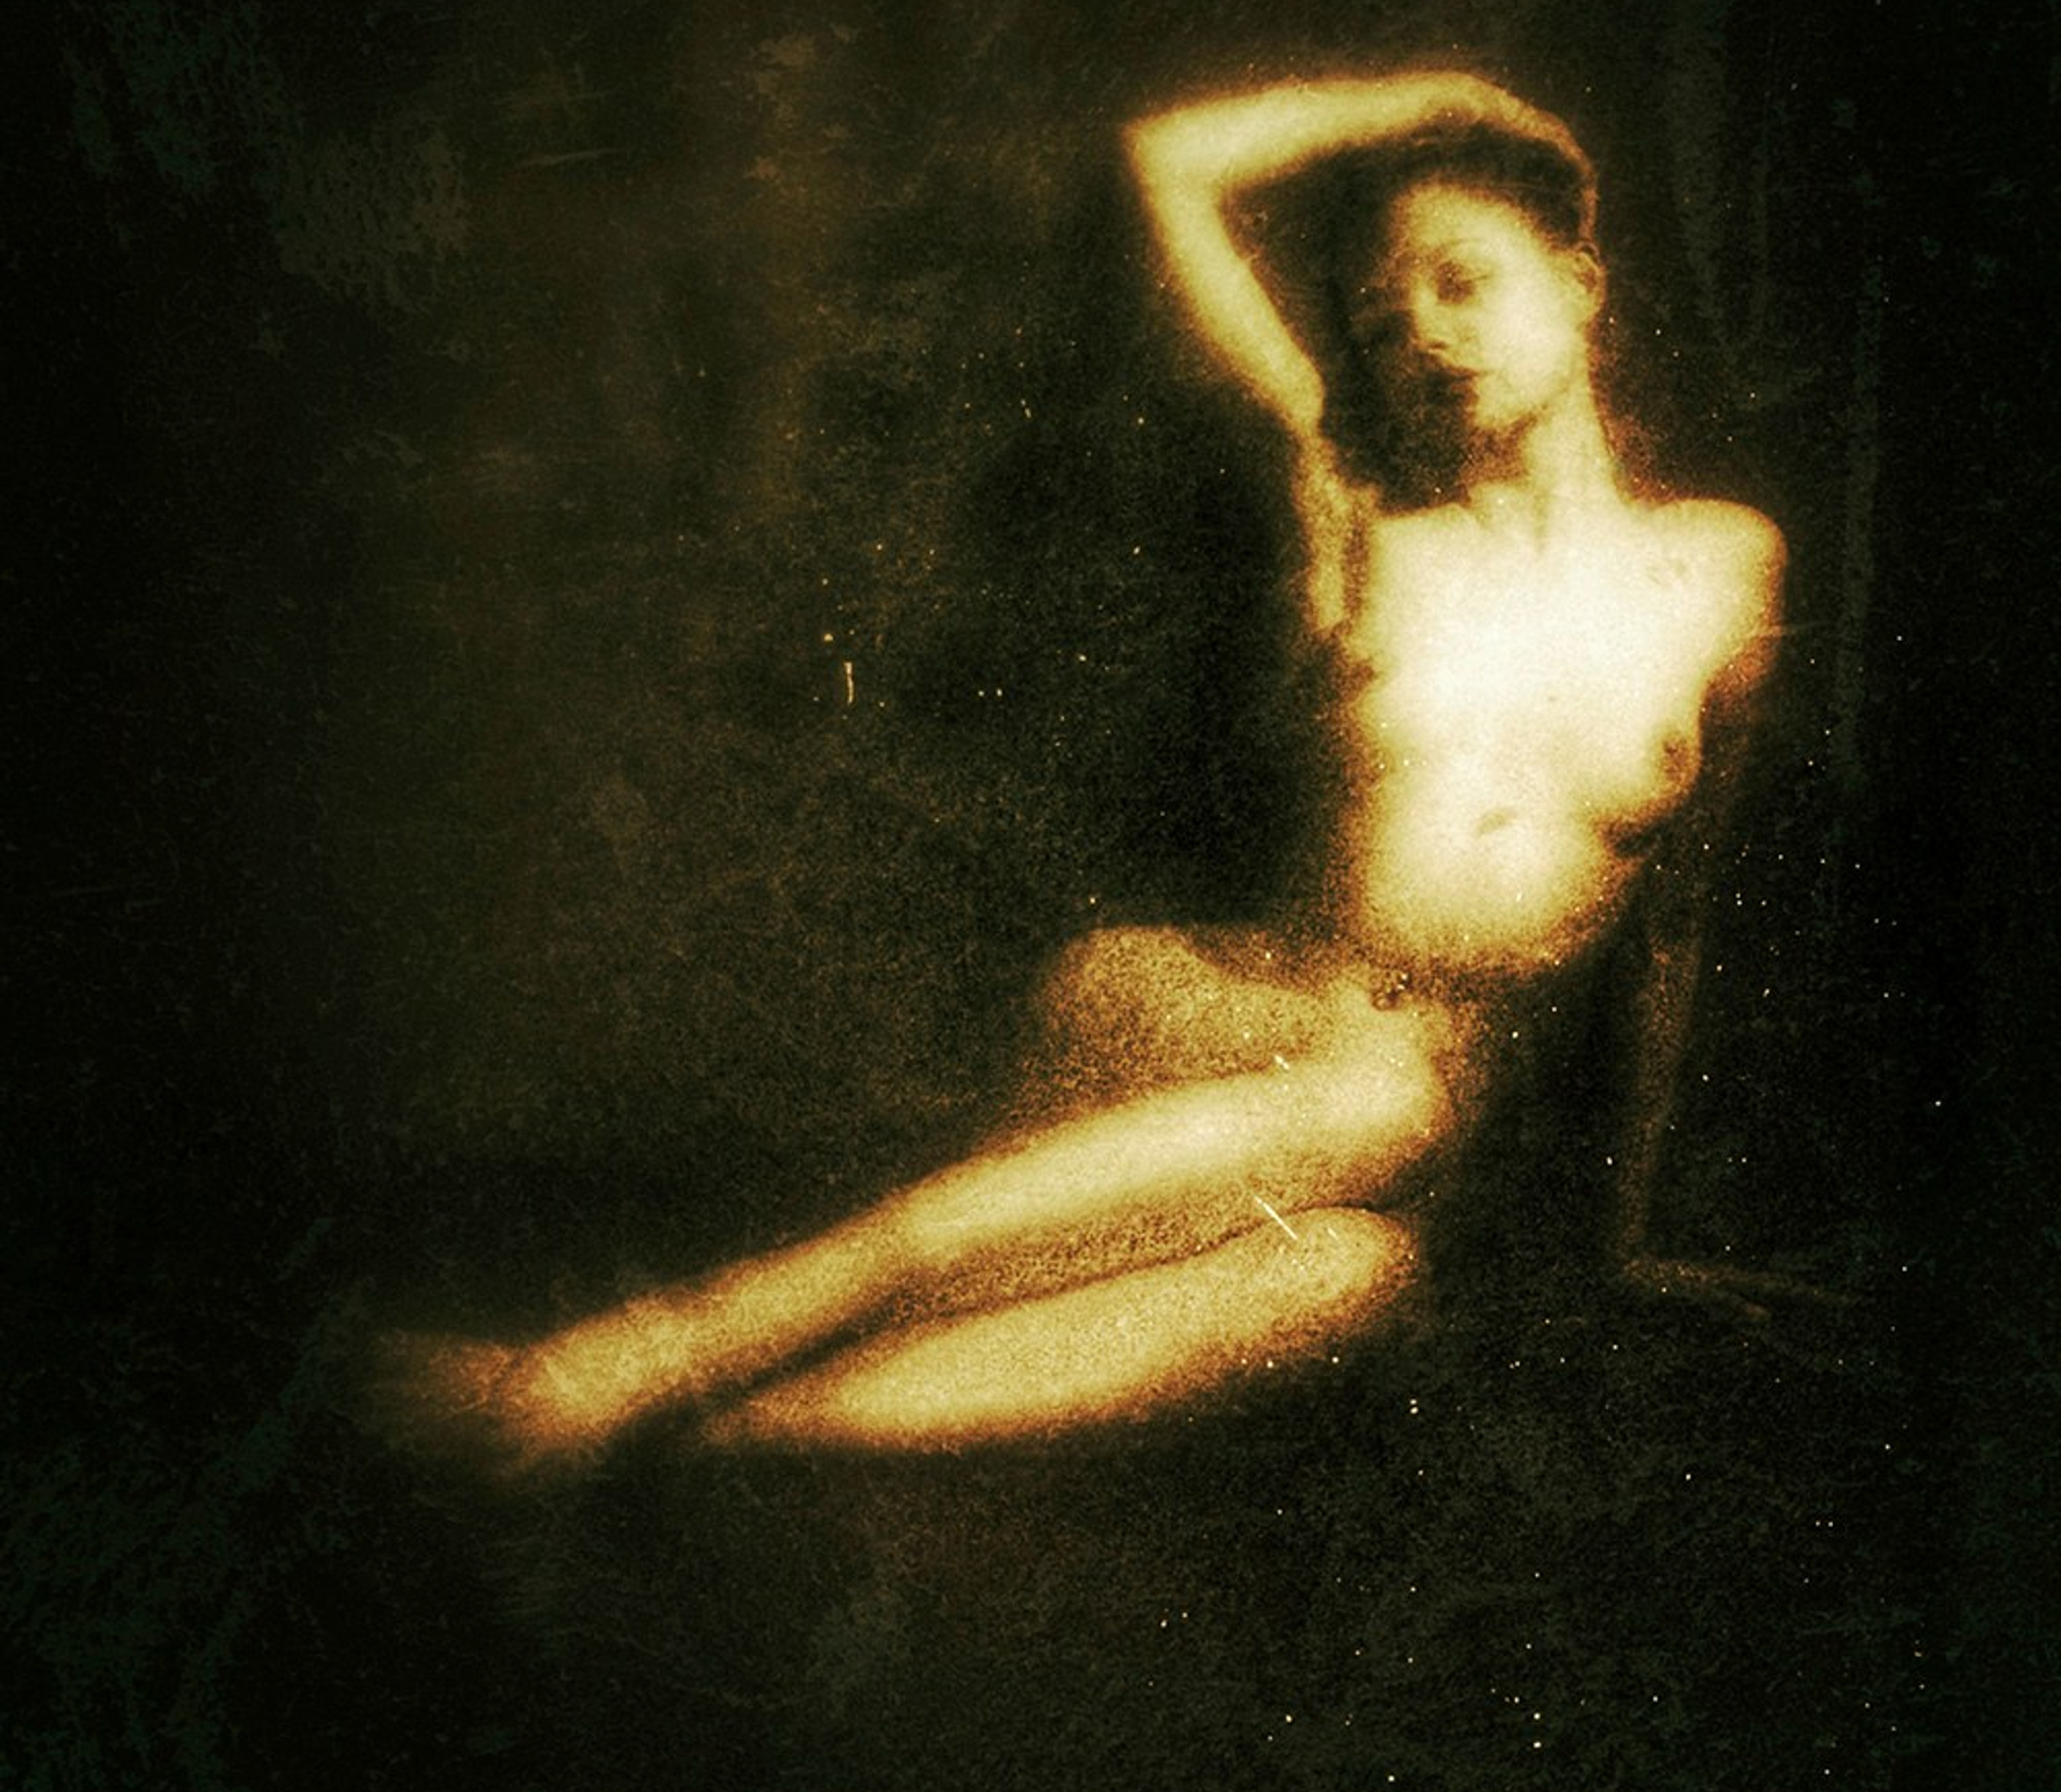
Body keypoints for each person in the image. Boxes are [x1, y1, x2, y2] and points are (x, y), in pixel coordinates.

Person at [372, 71, 1783, 1472]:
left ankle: (686, 1439)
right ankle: (619, 1363)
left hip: (1404, 1122)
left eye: (1462, 282)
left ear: (1581, 283)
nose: (1423, 333)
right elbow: (1168, 162)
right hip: (1233, 1025)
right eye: (1380, 319)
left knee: (1349, 1278)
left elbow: (1676, 931)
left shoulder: (1726, 570)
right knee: (1382, 1099)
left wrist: (1629, 1239)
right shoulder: (1362, 530)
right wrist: (1416, 100)